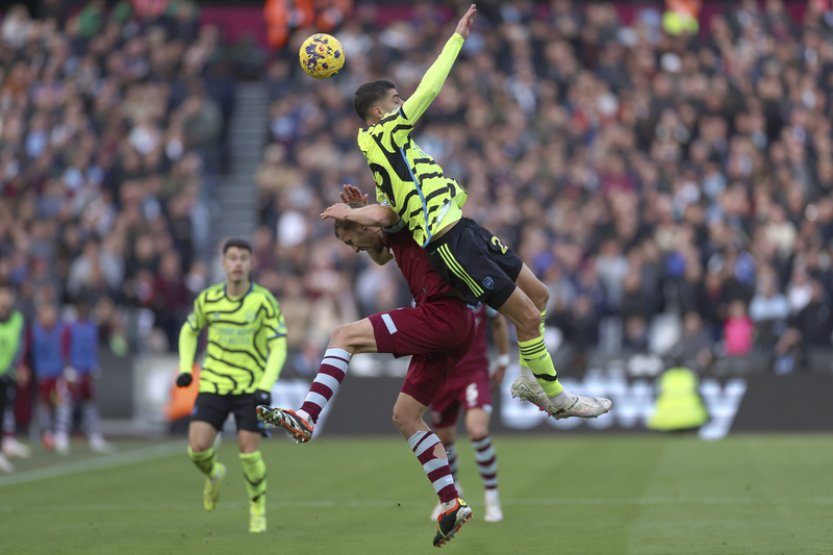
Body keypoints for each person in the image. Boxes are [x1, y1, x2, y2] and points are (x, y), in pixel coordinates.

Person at [321, 4, 612, 420]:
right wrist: (457, 38)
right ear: (380, 113)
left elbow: (392, 213)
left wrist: (364, 208)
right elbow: (429, 90)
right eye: (395, 99)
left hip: (466, 228)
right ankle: (558, 400)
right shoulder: (384, 134)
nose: (403, 103)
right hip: (448, 242)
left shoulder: (392, 154)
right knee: (527, 316)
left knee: (540, 296)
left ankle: (532, 379)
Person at [258, 187, 478, 547]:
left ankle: (308, 414)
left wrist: (352, 209)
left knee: (343, 336)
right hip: (457, 326)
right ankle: (450, 501)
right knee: (406, 416)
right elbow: (379, 253)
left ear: (362, 225)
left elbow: (379, 217)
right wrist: (359, 213)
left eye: (350, 240)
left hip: (440, 313)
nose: (353, 249)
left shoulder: (396, 213)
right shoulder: (389, 231)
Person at [175, 238, 288, 533]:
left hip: (250, 387)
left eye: (243, 258)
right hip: (213, 382)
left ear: (251, 263)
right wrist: (186, 368)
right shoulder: (208, 299)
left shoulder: (264, 301)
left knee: (249, 452)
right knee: (197, 449)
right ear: (223, 263)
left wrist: (266, 384)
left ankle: (257, 508)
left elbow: (278, 346)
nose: (238, 263)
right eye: (233, 258)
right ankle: (214, 474)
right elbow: (189, 330)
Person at [428, 303, 509, 523]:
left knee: (477, 430)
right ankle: (450, 497)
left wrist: (503, 360)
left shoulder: (478, 289)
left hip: (474, 371)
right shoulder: (426, 290)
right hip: (442, 373)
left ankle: (492, 498)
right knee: (444, 439)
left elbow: (498, 321)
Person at [65, 300, 112, 453]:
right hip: (75, 369)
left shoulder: (92, 328)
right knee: (67, 403)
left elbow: (93, 348)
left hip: (87, 369)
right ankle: (63, 434)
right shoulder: (71, 328)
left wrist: (94, 365)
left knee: (89, 404)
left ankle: (94, 434)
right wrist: (69, 367)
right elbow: (67, 347)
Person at [29, 303, 72, 454]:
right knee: (44, 405)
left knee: (61, 403)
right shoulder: (35, 331)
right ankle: (46, 433)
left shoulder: (62, 330)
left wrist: (67, 368)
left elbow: (66, 349)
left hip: (57, 373)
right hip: (43, 374)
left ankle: (61, 433)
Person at [0, 283, 26, 472]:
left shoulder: (16, 319)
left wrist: (20, 366)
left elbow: (19, 346)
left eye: (7, 295)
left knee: (4, 410)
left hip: (6, 372)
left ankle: (5, 444)